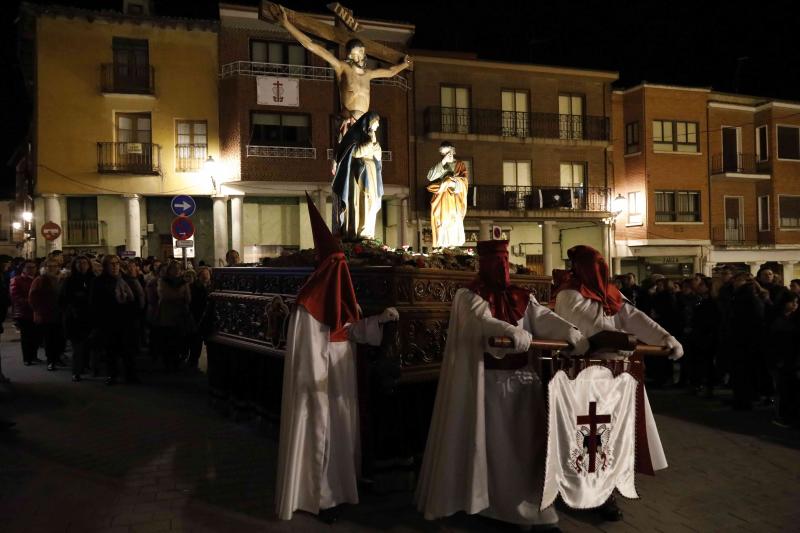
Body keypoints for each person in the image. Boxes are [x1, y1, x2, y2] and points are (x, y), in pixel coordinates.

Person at [416, 240, 589, 531]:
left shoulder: (521, 295)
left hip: (525, 384)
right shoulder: (469, 295)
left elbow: (543, 317)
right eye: (496, 260)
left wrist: (570, 332)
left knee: (531, 448)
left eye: (505, 260)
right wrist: (507, 329)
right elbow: (478, 322)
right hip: (491, 387)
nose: (502, 266)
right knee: (500, 451)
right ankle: (504, 509)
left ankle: (537, 509)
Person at [275, 194, 399, 522]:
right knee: (321, 434)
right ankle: (320, 497)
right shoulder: (308, 304)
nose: (343, 272)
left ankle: (341, 490)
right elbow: (309, 352)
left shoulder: (344, 301)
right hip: (319, 385)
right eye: (338, 266)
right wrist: (319, 381)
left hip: (341, 381)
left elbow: (352, 331)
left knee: (342, 434)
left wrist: (380, 321)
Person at [554, 245, 683, 521]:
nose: (599, 270)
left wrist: (664, 338)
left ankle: (607, 488)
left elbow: (635, 318)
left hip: (617, 375)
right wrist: (624, 338)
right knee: (587, 435)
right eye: (593, 264)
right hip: (586, 374)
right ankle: (582, 491)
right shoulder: (569, 295)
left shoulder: (610, 293)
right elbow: (589, 326)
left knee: (615, 434)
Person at [272, 3, 411, 126]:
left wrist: (405, 65)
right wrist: (287, 24)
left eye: (360, 53)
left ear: (364, 53)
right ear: (349, 55)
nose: (357, 57)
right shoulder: (342, 67)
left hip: (365, 125)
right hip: (348, 122)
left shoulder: (369, 74)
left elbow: (391, 72)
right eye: (354, 54)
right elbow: (312, 46)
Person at [331, 112, 383, 239]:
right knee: (360, 200)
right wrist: (370, 145)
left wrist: (375, 146)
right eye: (376, 123)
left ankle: (368, 231)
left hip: (371, 171)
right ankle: (358, 231)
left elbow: (378, 155)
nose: (377, 126)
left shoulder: (372, 136)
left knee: (372, 201)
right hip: (358, 172)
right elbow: (353, 152)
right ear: (369, 122)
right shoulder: (354, 135)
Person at [90, 255, 138, 385]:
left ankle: (130, 375)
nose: (115, 266)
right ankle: (112, 375)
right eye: (111, 264)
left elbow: (135, 297)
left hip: (126, 319)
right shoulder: (98, 282)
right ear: (105, 266)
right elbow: (95, 302)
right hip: (108, 320)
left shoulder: (125, 279)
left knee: (128, 349)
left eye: (116, 263)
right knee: (111, 350)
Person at [426, 141, 468, 248]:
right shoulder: (441, 165)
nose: (446, 155)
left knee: (454, 221)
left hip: (454, 199)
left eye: (448, 152)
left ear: (453, 151)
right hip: (442, 198)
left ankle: (453, 246)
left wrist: (452, 182)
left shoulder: (459, 165)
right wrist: (443, 162)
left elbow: (464, 181)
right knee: (442, 220)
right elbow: (430, 177)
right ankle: (443, 245)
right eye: (443, 154)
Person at [60, 256, 95, 381]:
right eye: (79, 263)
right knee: (78, 347)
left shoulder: (93, 279)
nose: (82, 265)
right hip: (75, 318)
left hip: (90, 318)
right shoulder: (69, 280)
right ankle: (76, 371)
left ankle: (85, 366)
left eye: (84, 263)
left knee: (88, 346)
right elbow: (64, 300)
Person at [29, 258, 65, 371]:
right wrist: (38, 311)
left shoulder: (61, 279)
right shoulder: (40, 280)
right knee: (49, 339)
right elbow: (33, 297)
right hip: (46, 314)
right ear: (45, 268)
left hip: (60, 313)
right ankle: (51, 361)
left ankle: (57, 357)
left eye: (55, 266)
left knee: (60, 338)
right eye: (49, 266)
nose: (52, 268)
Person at [156, 261, 192, 371]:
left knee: (179, 340)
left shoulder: (184, 282)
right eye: (174, 268)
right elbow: (166, 296)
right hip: (167, 315)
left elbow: (188, 298)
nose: (177, 271)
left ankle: (177, 362)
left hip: (180, 315)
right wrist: (180, 295)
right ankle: (168, 363)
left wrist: (181, 295)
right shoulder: (163, 281)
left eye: (178, 268)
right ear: (169, 270)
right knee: (168, 340)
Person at [11, 260, 40, 366]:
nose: (31, 269)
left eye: (33, 267)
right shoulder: (17, 280)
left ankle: (34, 356)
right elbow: (15, 296)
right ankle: (27, 358)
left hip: (37, 312)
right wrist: (30, 302)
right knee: (26, 337)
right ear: (23, 269)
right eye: (28, 267)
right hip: (24, 312)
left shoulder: (38, 279)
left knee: (36, 336)